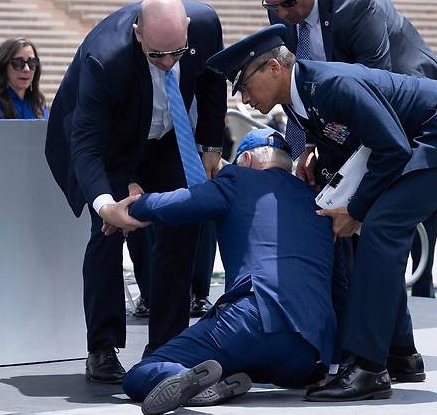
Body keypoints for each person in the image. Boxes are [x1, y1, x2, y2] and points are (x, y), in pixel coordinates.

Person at [206, 24, 437, 401]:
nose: (244, 99)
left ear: (274, 68)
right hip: (419, 137)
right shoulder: (300, 96)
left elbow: (392, 149)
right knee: (378, 233)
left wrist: (355, 209)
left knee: (381, 229)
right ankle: (400, 353)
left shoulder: (330, 86)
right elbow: (347, 142)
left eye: (244, 85)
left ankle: (369, 369)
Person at [44, 0, 226, 384]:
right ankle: (102, 347)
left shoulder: (206, 25)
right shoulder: (104, 59)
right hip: (106, 142)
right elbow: (88, 144)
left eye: (176, 53)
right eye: (157, 54)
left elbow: (212, 80)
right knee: (109, 232)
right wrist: (107, 203)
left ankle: (167, 345)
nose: (167, 63)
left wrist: (211, 144)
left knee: (183, 220)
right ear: (137, 33)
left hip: (165, 138)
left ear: (188, 32)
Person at [258, 0, 437, 298]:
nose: (280, 13)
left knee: (410, 192)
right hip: (345, 107)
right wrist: (308, 143)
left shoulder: (357, 4)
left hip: (409, 102)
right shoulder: (283, 8)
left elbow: (375, 90)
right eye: (271, 5)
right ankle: (367, 298)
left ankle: (420, 290)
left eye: (288, 3)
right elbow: (301, 82)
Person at [120, 128, 336, 414]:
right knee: (252, 359)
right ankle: (224, 378)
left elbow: (180, 203)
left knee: (139, 374)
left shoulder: (238, 179)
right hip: (309, 350)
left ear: (245, 158)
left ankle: (187, 378)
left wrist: (130, 208)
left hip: (251, 317)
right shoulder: (317, 200)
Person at [0, 38, 48, 119]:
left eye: (32, 63)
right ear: (3, 66)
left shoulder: (39, 106)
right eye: (18, 63)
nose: (26, 69)